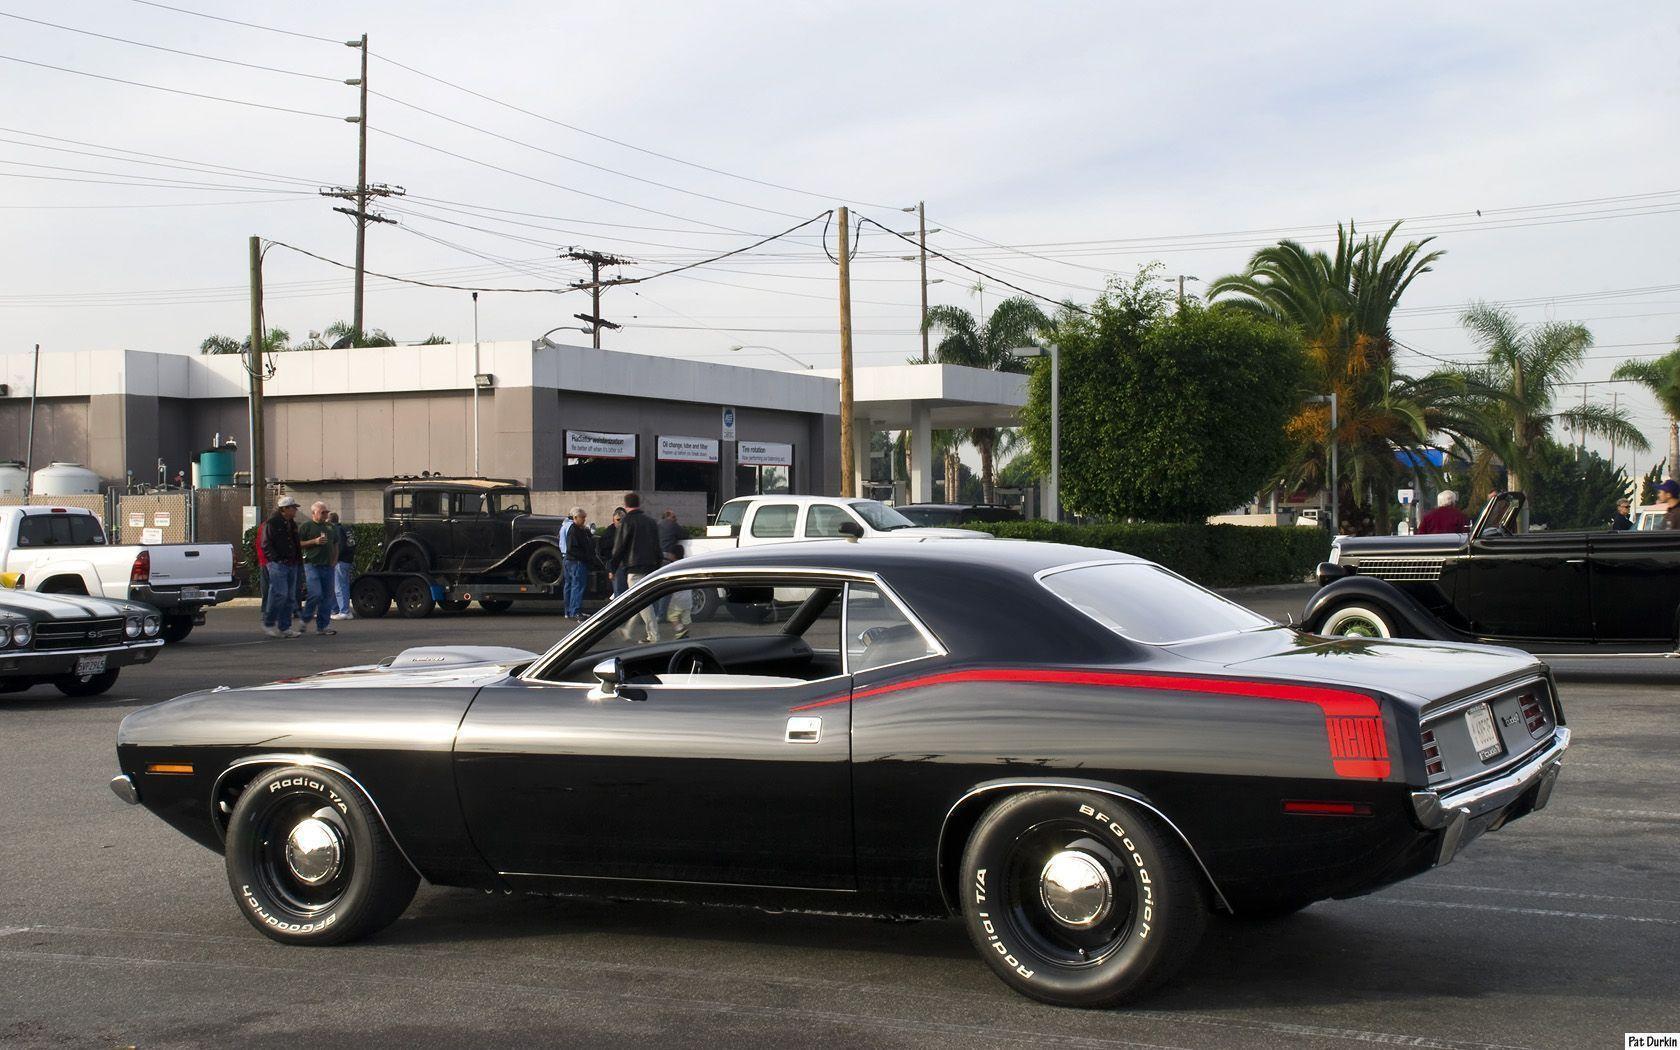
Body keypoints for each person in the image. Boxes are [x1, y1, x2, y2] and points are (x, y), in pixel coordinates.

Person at [611, 492, 663, 642]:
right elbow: (657, 547)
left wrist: (612, 568)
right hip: (651, 567)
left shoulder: (626, 522)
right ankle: (628, 630)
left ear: (626, 505)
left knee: (642, 603)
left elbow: (619, 547)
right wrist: (658, 566)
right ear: (639, 503)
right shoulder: (651, 522)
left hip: (634, 568)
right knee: (639, 601)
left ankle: (654, 635)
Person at [260, 496, 303, 638]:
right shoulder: (272, 523)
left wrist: (297, 559)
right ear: (284, 509)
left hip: (292, 563)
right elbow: (266, 544)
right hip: (278, 564)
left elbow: (295, 543)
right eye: (292, 507)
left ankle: (285, 627)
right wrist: (274, 560)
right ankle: (269, 622)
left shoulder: (291, 524)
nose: (295, 510)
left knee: (290, 596)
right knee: (280, 594)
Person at [296, 501, 339, 636]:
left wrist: (334, 560)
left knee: (327, 597)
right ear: (314, 513)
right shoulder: (306, 526)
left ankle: (322, 626)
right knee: (315, 593)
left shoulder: (330, 527)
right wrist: (314, 542)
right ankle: (305, 618)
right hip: (312, 564)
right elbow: (297, 544)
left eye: (326, 512)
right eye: (322, 512)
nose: (325, 514)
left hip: (328, 566)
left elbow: (336, 544)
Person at [655, 508, 691, 638]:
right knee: (666, 588)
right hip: (669, 558)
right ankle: (662, 614)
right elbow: (685, 534)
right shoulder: (671, 525)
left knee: (656, 587)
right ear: (669, 517)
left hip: (657, 559)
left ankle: (658, 614)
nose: (676, 520)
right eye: (674, 517)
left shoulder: (657, 525)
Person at [561, 506, 594, 619]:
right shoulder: (574, 530)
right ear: (575, 517)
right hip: (576, 562)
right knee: (577, 586)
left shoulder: (566, 527)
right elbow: (573, 548)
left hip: (567, 559)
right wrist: (585, 557)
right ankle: (575, 611)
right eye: (582, 517)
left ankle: (568, 611)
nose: (584, 520)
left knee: (569, 586)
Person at [329, 511, 357, 619]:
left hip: (340, 561)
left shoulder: (335, 530)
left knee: (339, 586)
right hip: (347, 560)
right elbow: (352, 544)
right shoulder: (346, 529)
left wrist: (334, 559)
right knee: (341, 585)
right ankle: (337, 609)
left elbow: (339, 546)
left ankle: (344, 611)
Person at [599, 506, 628, 597]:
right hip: (616, 564)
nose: (620, 522)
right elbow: (603, 549)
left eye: (623, 519)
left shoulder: (628, 530)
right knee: (619, 592)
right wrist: (610, 565)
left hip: (627, 564)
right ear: (613, 520)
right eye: (618, 520)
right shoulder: (609, 532)